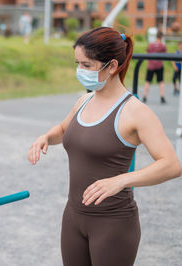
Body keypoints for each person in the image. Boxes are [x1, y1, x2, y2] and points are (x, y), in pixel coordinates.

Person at [28, 27, 181, 266]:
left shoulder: (136, 112)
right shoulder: (84, 100)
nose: (80, 71)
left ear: (111, 66)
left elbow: (171, 165)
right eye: (77, 63)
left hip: (113, 223)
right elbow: (64, 129)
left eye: (87, 65)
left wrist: (121, 179)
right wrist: (46, 137)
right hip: (73, 217)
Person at [142, 31, 167, 104]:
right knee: (161, 81)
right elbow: (165, 55)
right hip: (159, 65)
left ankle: (144, 97)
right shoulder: (162, 45)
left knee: (147, 81)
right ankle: (162, 97)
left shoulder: (151, 45)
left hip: (151, 66)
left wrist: (150, 62)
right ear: (161, 37)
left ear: (156, 37)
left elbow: (147, 53)